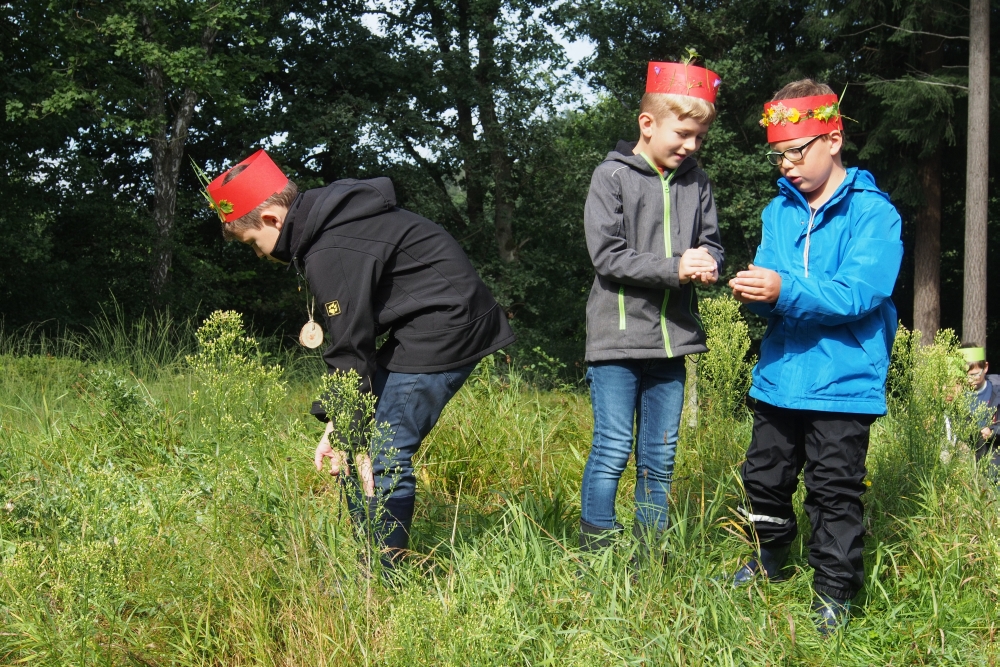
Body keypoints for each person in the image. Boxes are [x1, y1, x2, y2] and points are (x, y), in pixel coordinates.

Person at [198, 150, 515, 572]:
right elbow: (354, 343)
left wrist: (346, 429)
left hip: (446, 328)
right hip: (428, 324)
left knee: (383, 452)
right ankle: (369, 564)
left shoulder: (330, 248)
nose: (257, 255)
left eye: (252, 244)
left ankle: (384, 576)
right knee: (355, 444)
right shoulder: (329, 225)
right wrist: (340, 423)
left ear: (272, 219)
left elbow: (351, 347)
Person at [728, 80, 903, 635]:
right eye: (778, 155)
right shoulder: (776, 212)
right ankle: (769, 559)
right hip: (779, 376)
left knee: (833, 489)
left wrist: (783, 290)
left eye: (795, 152)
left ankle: (833, 592)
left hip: (843, 380)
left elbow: (859, 293)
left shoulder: (875, 215)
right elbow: (774, 287)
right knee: (764, 478)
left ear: (833, 137)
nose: (785, 166)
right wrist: (754, 298)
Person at [580, 60, 725, 562]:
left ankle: (650, 558)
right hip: (616, 342)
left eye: (699, 139)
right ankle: (597, 552)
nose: (690, 146)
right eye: (683, 134)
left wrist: (709, 264)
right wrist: (676, 268)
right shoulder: (611, 177)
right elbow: (607, 256)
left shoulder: (697, 183)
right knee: (614, 448)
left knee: (660, 456)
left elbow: (711, 245)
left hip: (672, 342)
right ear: (648, 123)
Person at [960, 346, 1000, 475]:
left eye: (975, 374)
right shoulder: (955, 397)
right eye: (964, 375)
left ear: (986, 367)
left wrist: (993, 432)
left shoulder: (997, 390)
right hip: (966, 468)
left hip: (994, 465)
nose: (970, 380)